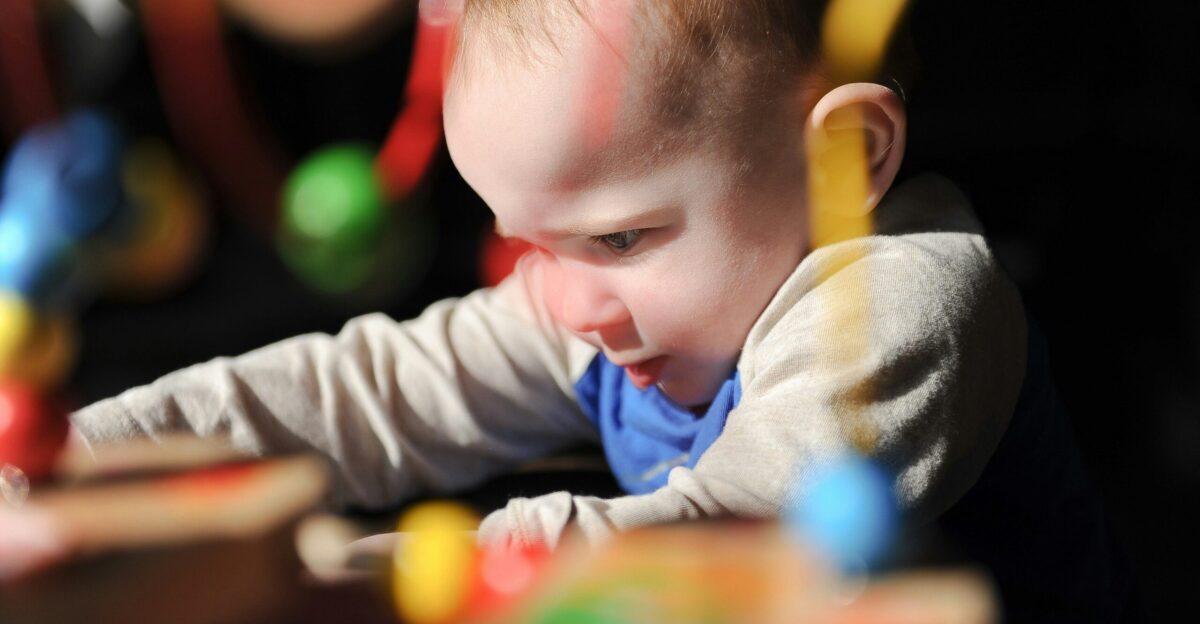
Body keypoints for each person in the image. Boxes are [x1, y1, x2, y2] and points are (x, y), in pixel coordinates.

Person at [71, 0, 1131, 617]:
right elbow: (363, 391)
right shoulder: (605, 303)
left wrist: (317, 578)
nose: (567, 300)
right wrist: (84, 456)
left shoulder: (905, 310)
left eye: (620, 238)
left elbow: (727, 537)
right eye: (531, 242)